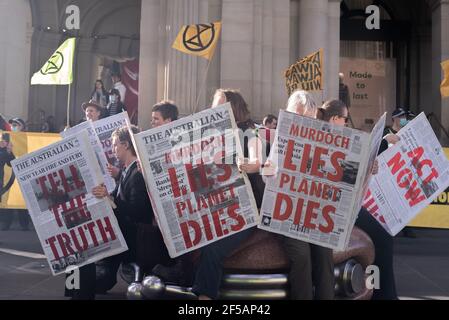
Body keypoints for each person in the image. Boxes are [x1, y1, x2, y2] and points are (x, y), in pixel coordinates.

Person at [66, 125, 169, 299]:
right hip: (124, 232)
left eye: (115, 145)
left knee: (83, 246)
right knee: (78, 238)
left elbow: (138, 210)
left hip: (134, 238)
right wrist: (103, 196)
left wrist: (110, 198)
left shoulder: (137, 173)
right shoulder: (127, 171)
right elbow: (116, 198)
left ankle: (79, 294)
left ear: (126, 145)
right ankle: (75, 291)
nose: (113, 150)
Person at [317, 100, 399, 300]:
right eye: (345, 118)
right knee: (381, 237)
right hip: (332, 209)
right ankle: (383, 295)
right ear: (335, 119)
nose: (346, 123)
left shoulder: (340, 137)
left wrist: (369, 167)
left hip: (344, 204)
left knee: (381, 233)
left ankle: (379, 292)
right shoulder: (326, 137)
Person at [190, 89, 258, 300]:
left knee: (213, 248)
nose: (213, 110)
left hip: (241, 209)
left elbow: (256, 161)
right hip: (213, 205)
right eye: (213, 105)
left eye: (218, 105)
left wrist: (247, 164)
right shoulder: (205, 135)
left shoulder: (249, 131)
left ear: (233, 108)